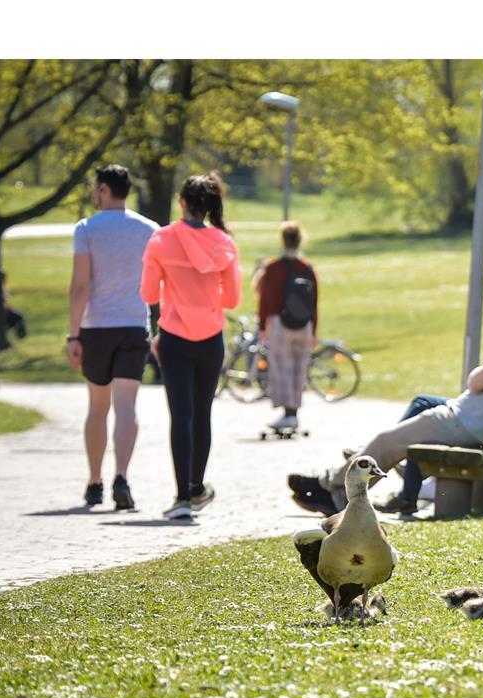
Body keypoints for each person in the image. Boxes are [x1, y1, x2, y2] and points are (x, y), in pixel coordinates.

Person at [288, 285, 483, 514]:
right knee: (391, 439)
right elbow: (482, 383)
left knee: (386, 442)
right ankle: (334, 492)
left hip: (461, 423)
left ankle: (329, 485)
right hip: (467, 424)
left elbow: (474, 381)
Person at [350, 305, 483, 516]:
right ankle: (401, 475)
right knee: (421, 405)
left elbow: (475, 383)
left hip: (480, 428)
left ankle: (397, 478)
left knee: (419, 416)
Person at [140, 172, 242, 520]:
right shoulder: (224, 243)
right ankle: (197, 487)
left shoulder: (161, 239)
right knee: (202, 415)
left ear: (182, 201)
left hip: (174, 337)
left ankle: (183, 496)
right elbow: (231, 298)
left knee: (180, 416)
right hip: (210, 338)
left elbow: (148, 294)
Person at [66, 165, 159, 510]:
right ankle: (122, 476)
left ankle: (94, 483)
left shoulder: (87, 228)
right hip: (134, 324)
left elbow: (80, 286)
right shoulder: (150, 230)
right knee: (126, 406)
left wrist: (73, 335)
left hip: (97, 327)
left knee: (97, 407)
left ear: (104, 189)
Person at [257, 221, 317, 432]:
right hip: (304, 325)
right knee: (300, 369)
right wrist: (314, 330)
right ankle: (295, 412)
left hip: (279, 323)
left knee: (281, 368)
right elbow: (314, 301)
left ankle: (287, 414)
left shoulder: (273, 268)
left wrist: (263, 325)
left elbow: (265, 299)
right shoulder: (307, 268)